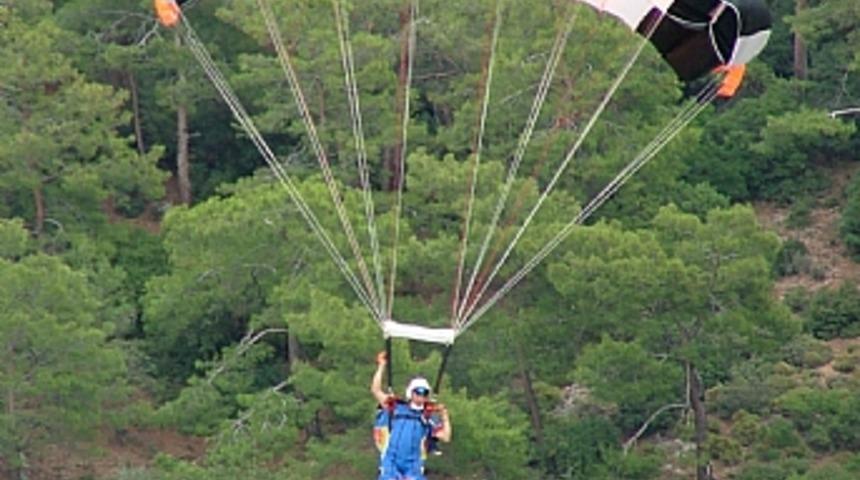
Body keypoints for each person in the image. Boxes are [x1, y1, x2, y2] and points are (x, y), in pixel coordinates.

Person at [371, 352, 451, 480]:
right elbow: (376, 390)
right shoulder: (396, 406)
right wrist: (381, 366)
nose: (421, 396)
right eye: (418, 392)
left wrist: (445, 416)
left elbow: (446, 437)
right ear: (411, 393)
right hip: (392, 459)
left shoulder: (428, 415)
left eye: (424, 393)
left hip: (412, 463)